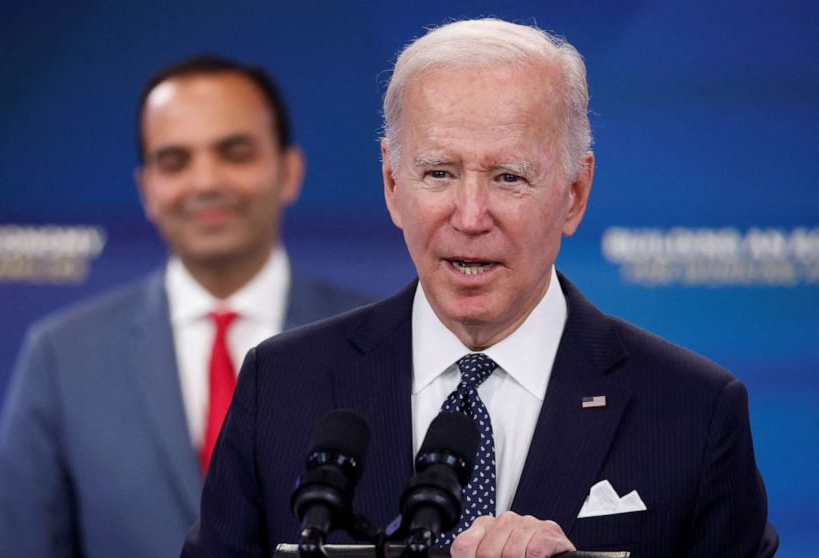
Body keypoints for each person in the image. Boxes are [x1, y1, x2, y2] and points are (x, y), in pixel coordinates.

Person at [183, 19, 777, 558]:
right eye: (439, 173)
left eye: (508, 177)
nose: (470, 216)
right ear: (392, 183)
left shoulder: (692, 412)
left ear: (574, 192)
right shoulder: (281, 386)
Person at [0, 56, 372, 557]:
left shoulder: (379, 339)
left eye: (235, 152)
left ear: (288, 171)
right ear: (147, 190)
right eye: (175, 161)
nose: (205, 182)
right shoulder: (62, 356)